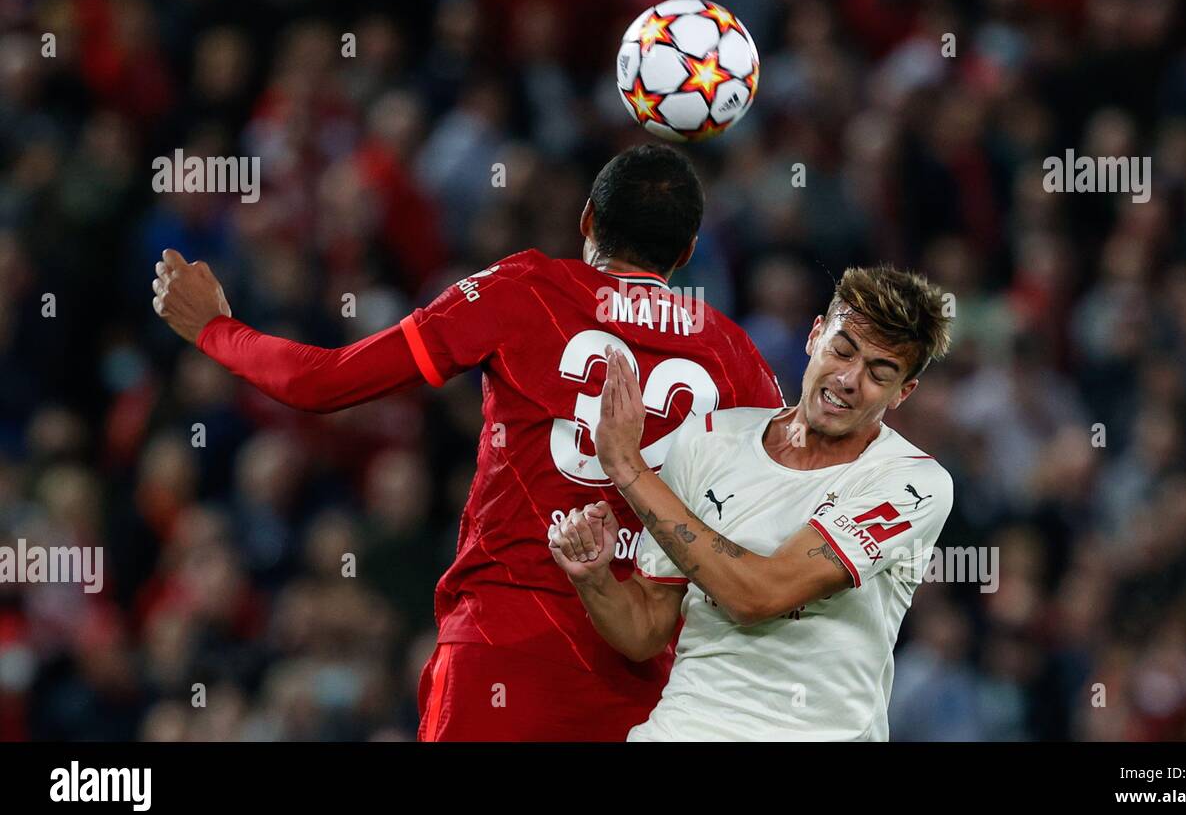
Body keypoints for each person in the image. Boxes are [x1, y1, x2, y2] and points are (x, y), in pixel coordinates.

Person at [151, 144, 784, 741]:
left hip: (501, 646)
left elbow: (321, 382)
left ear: (586, 219)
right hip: (644, 683)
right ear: (689, 249)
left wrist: (215, 329)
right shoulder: (735, 353)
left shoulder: (522, 289)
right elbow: (774, 525)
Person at [549, 264, 953, 740]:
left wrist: (627, 468)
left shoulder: (912, 483)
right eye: (842, 351)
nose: (848, 379)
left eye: (878, 374)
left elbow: (756, 596)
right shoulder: (708, 439)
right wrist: (594, 578)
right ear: (815, 336)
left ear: (903, 392)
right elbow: (644, 630)